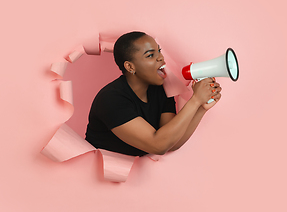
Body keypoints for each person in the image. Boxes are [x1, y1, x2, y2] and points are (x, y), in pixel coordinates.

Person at [85, 31, 222, 156]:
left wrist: (201, 108)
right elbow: (158, 146)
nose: (160, 58)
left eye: (159, 51)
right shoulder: (111, 99)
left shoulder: (160, 89)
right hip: (97, 175)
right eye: (150, 55)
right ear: (130, 67)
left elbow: (172, 142)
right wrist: (195, 100)